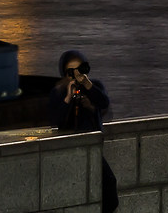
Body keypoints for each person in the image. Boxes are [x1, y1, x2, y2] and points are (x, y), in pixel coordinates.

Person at [50, 50, 119, 213]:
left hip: (92, 144)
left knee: (109, 182)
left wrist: (88, 88)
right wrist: (68, 97)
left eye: (80, 70)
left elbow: (104, 103)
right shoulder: (59, 92)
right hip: (68, 146)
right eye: (71, 72)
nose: (76, 76)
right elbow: (57, 121)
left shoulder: (94, 87)